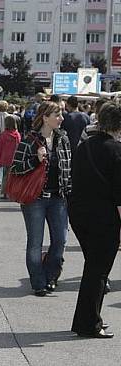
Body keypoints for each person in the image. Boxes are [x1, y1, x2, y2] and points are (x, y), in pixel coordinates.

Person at [68, 101, 121, 339]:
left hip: (80, 214)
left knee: (94, 268)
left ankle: (90, 318)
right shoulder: (116, 150)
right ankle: (88, 322)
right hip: (104, 217)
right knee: (98, 272)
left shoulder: (84, 146)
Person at [10, 101, 71, 297]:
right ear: (45, 117)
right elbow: (15, 168)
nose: (61, 118)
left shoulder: (63, 139)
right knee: (35, 242)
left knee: (60, 240)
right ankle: (38, 282)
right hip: (34, 199)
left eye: (61, 114)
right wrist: (35, 159)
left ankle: (51, 276)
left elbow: (69, 169)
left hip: (58, 198)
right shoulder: (28, 141)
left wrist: (69, 192)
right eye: (57, 115)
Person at [0, 116, 21, 199]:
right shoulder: (17, 135)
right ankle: (11, 193)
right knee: (14, 177)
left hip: (5, 158)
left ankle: (3, 192)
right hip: (15, 158)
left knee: (5, 176)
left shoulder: (3, 135)